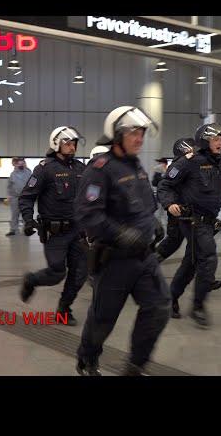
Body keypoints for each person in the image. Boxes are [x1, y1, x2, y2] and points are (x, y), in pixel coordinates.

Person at [74, 106, 169, 376]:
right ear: (116, 135)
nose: (139, 138)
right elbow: (87, 214)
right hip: (115, 260)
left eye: (142, 133)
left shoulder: (136, 165)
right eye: (133, 133)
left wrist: (153, 223)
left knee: (159, 307)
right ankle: (87, 357)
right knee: (103, 319)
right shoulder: (99, 169)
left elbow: (143, 203)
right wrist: (121, 234)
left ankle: (135, 365)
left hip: (144, 258)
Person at [157, 123, 221, 327]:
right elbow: (165, 185)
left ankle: (170, 298)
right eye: (215, 139)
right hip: (191, 220)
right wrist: (169, 204)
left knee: (191, 264)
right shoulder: (189, 162)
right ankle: (198, 307)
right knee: (208, 258)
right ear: (204, 141)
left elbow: (217, 191)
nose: (219, 143)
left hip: (209, 222)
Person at [19, 127, 88, 327]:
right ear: (56, 144)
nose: (72, 146)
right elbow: (27, 196)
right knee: (57, 272)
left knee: (79, 273)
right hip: (55, 233)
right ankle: (31, 280)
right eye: (67, 142)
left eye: (74, 142)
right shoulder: (44, 168)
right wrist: (28, 219)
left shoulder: (80, 168)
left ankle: (64, 309)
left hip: (78, 231)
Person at [5, 158, 32, 236]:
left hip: (26, 198)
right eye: (19, 164)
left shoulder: (28, 172)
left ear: (24, 164)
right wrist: (9, 195)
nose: (20, 165)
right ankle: (13, 230)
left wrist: (31, 192)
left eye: (22, 163)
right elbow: (9, 186)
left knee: (26, 214)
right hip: (15, 198)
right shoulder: (13, 174)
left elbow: (33, 182)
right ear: (16, 164)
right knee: (14, 214)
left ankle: (26, 229)